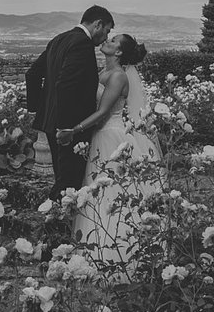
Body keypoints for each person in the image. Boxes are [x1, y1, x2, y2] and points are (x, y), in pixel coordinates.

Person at [67, 33, 161, 270]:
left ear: (118, 52)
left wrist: (73, 129)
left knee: (110, 193)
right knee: (98, 191)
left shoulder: (118, 76)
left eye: (113, 41)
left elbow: (103, 112)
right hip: (100, 134)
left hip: (111, 136)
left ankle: (116, 254)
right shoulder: (103, 73)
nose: (106, 41)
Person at [26, 5, 114, 203]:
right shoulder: (82, 44)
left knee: (62, 178)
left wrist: (39, 110)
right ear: (98, 24)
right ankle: (55, 224)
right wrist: (66, 127)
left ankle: (58, 221)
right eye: (107, 30)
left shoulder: (59, 39)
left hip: (51, 123)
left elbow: (32, 74)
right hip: (68, 127)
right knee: (69, 183)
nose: (106, 37)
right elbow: (65, 84)